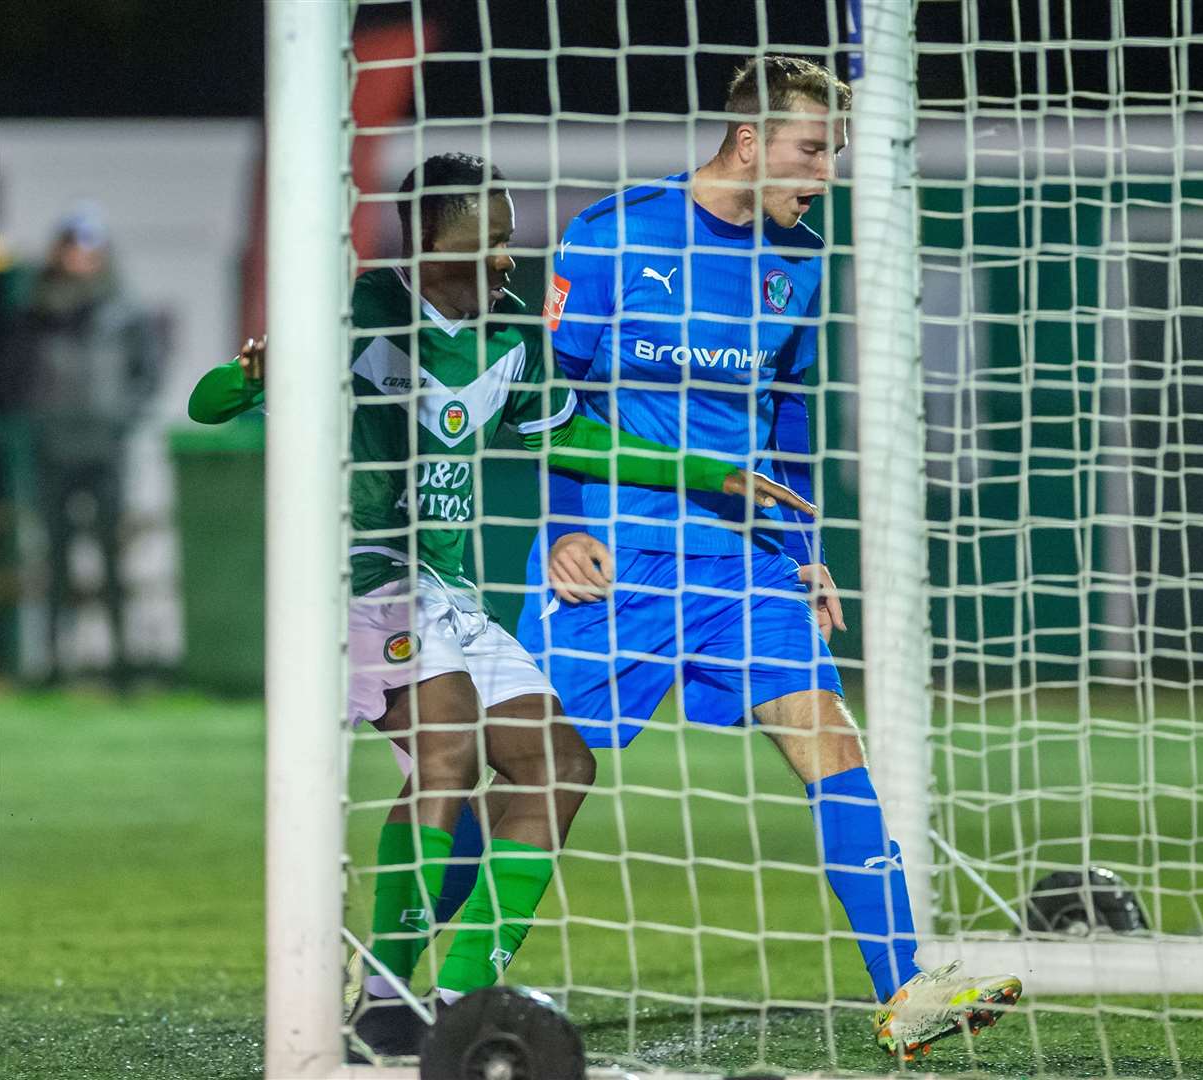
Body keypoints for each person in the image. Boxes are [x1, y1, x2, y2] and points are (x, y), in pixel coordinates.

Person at [188, 152, 813, 1059]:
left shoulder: (509, 337)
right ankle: (385, 998)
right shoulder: (353, 315)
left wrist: (710, 473)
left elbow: (582, 438)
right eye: (491, 243)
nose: (509, 260)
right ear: (434, 246)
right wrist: (252, 377)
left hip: (448, 597)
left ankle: (458, 995)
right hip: (359, 585)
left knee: (560, 768)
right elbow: (209, 403)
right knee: (443, 753)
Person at [518, 57, 1021, 1058]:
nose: (822, 173)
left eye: (829, 153)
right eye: (809, 150)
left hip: (740, 565)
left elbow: (786, 415)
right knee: (535, 783)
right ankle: (412, 973)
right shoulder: (611, 234)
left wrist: (805, 550)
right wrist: (565, 525)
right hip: (615, 556)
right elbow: (550, 407)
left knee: (833, 746)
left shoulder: (796, 260)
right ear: (747, 141)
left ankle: (905, 989)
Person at [6, 204, 161, 687]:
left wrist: (120, 421)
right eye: (74, 247)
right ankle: (52, 665)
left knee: (113, 562)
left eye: (89, 248)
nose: (81, 257)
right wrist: (35, 419)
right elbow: (14, 373)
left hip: (105, 450)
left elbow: (146, 376)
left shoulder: (124, 312)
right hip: (52, 448)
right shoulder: (35, 311)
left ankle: (121, 665)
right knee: (54, 558)